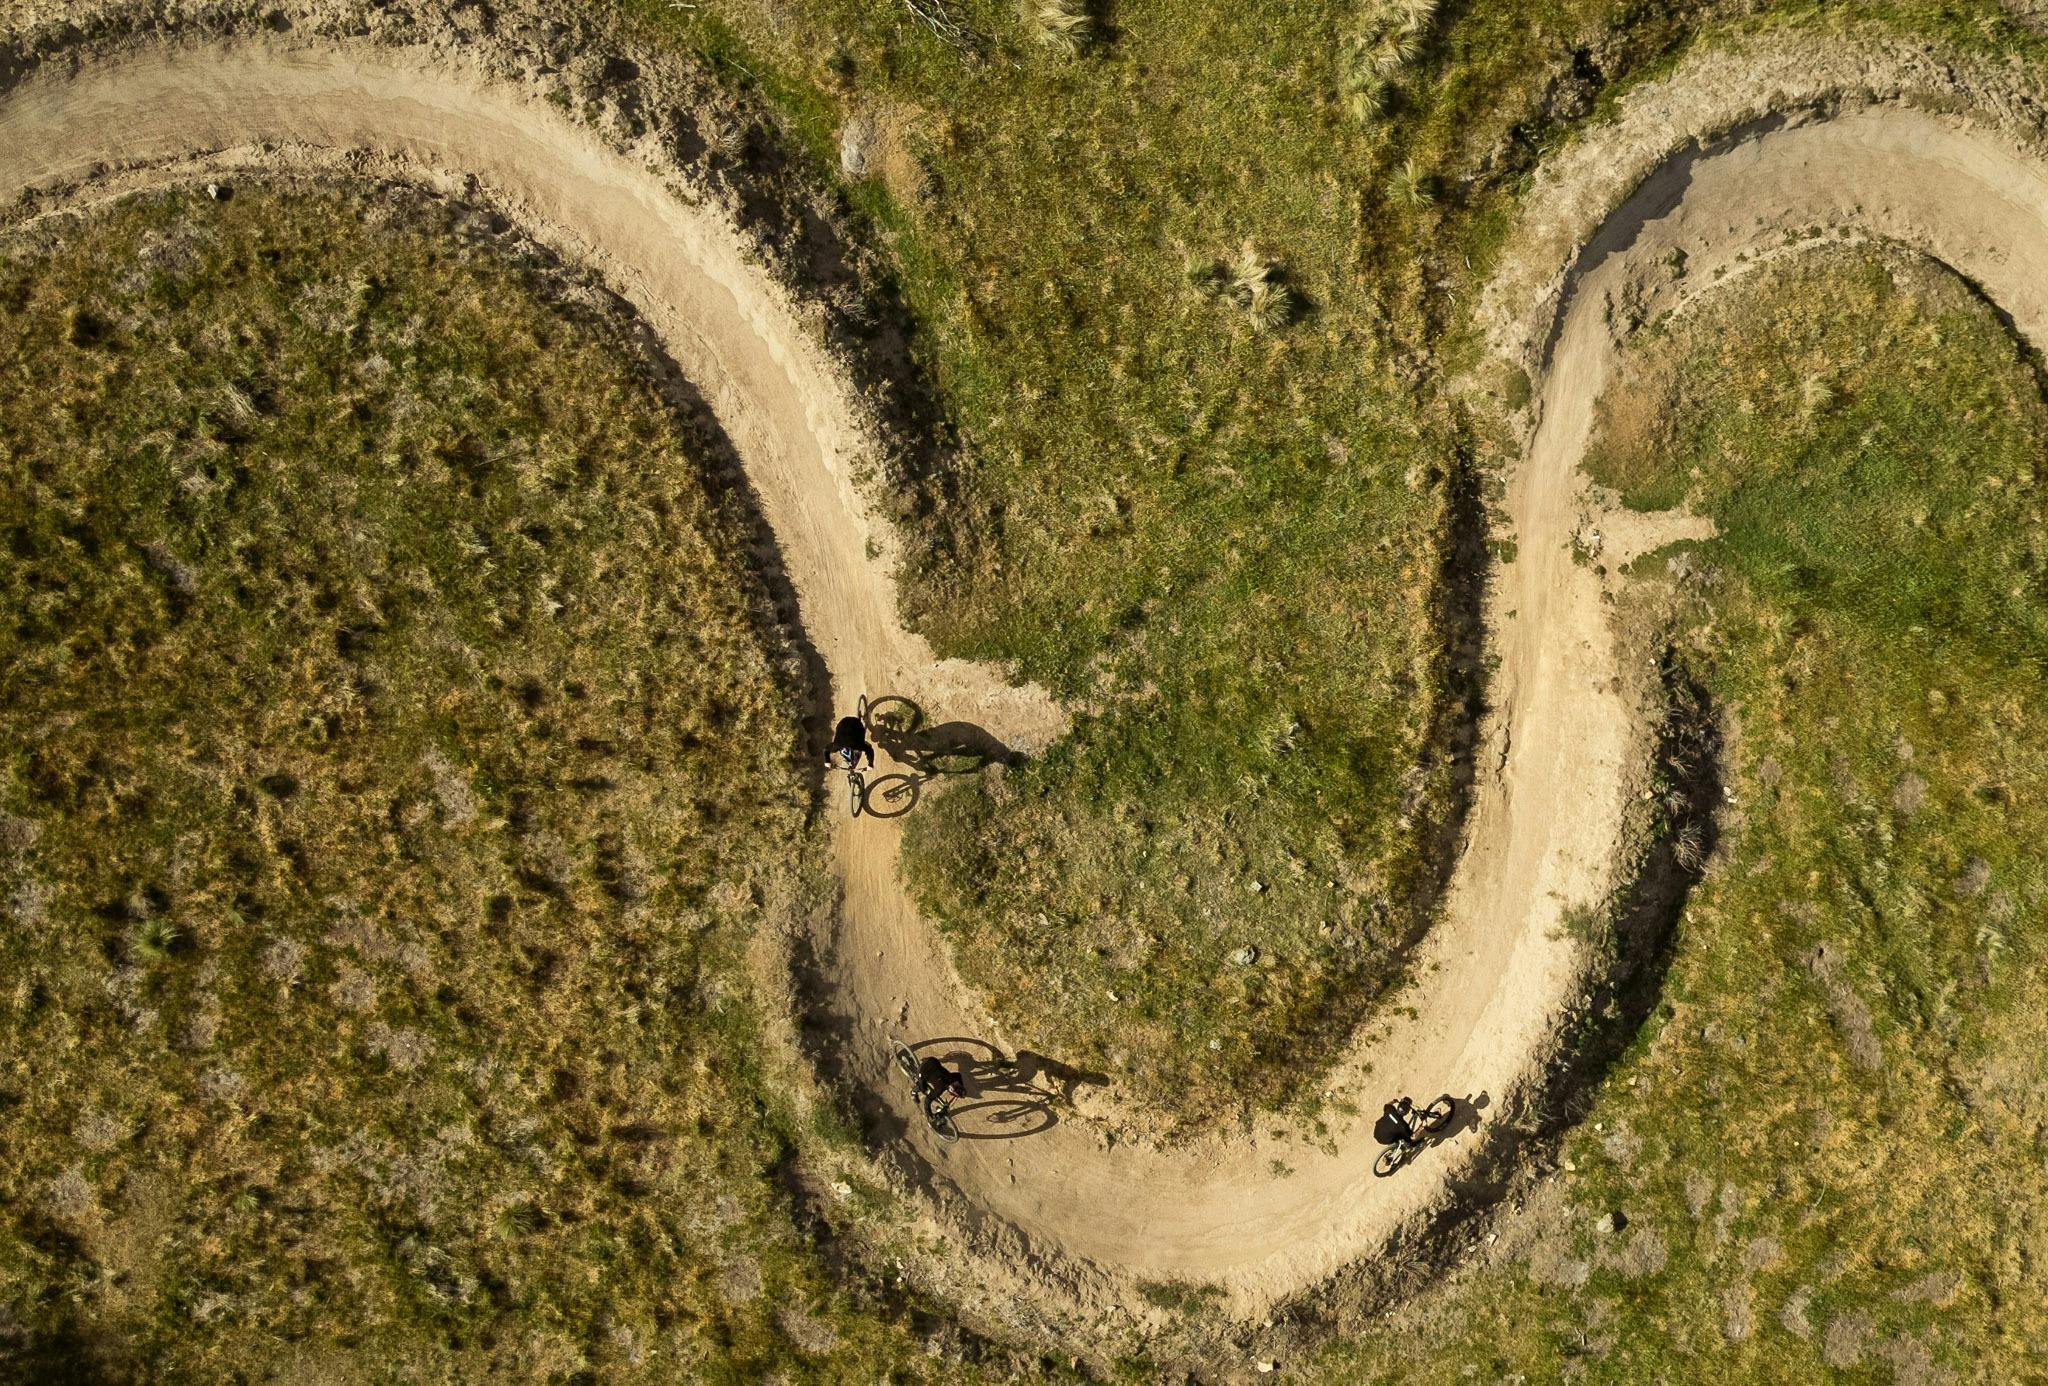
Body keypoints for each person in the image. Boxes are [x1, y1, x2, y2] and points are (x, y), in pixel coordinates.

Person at [914, 1054, 966, 1123]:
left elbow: (959, 1075)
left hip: (932, 1060)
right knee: (924, 1089)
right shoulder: (939, 1089)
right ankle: (913, 1092)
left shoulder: (952, 1078)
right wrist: (930, 1115)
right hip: (921, 1072)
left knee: (938, 1072)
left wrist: (960, 1085)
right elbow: (927, 1102)